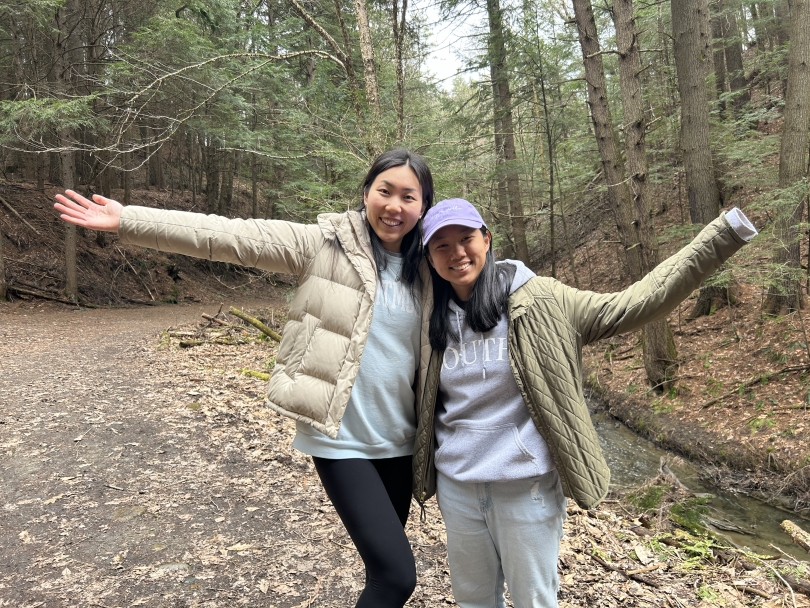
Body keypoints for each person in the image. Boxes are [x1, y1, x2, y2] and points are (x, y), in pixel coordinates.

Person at [54, 148, 436, 608]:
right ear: (365, 193)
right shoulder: (323, 244)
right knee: (395, 578)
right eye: (385, 191)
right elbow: (228, 235)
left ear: (423, 206)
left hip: (400, 442)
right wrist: (130, 220)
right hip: (341, 439)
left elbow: (479, 280)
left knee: (381, 573)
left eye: (408, 196)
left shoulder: (429, 269)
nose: (395, 205)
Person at [411, 198, 757, 608]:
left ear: (487, 239)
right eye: (442, 246)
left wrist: (725, 233)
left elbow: (637, 302)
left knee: (533, 601)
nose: (457, 254)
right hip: (458, 487)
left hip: (526, 488)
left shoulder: (542, 301)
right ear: (429, 258)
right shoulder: (427, 316)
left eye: (466, 239)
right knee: (473, 600)